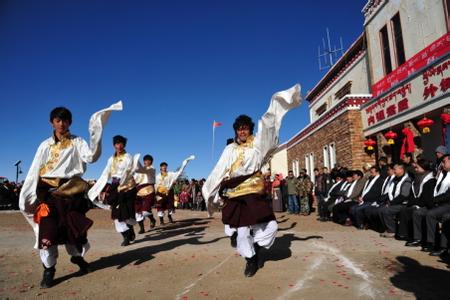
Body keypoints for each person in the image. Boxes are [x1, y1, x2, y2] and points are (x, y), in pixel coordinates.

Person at [19, 102, 122, 288]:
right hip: (49, 197)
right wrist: (31, 196)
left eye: (65, 120)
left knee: (72, 233)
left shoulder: (78, 142)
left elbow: (91, 157)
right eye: (58, 120)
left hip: (71, 196)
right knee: (48, 234)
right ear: (52, 122)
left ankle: (78, 259)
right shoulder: (44, 145)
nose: (61, 124)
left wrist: (97, 129)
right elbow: (35, 170)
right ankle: (49, 270)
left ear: (70, 122)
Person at [202, 84, 300, 277]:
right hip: (236, 194)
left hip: (255, 192)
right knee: (243, 232)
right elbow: (219, 170)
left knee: (271, 226)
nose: (242, 132)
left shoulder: (257, 144)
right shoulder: (229, 150)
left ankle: (256, 246)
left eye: (245, 128)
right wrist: (210, 191)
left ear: (250, 129)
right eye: (239, 129)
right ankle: (250, 260)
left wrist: (277, 104)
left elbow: (268, 127)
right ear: (235, 131)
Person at [89, 135, 139, 247]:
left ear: (124, 145)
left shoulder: (128, 157)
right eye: (117, 143)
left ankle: (130, 230)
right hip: (114, 186)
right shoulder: (110, 159)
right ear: (113, 145)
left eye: (121, 143)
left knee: (126, 212)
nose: (119, 146)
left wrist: (123, 183)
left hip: (127, 187)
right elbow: (106, 173)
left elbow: (129, 171)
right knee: (116, 212)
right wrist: (97, 186)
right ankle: (126, 235)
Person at [400, 159, 436, 244]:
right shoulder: (417, 179)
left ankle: (417, 238)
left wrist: (416, 203)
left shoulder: (430, 180)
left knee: (416, 212)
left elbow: (427, 198)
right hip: (418, 202)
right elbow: (412, 195)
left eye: (417, 168)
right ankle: (407, 234)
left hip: (426, 204)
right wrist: (412, 202)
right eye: (415, 168)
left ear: (424, 168)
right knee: (404, 210)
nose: (415, 170)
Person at [422, 154, 450, 255]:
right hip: (442, 203)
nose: (442, 164)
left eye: (444, 161)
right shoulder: (443, 173)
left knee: (435, 215)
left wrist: (434, 200)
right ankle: (434, 242)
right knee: (425, 212)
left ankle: (437, 244)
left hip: (447, 204)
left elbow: (448, 195)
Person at [155, 156, 195, 224]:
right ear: (160, 167)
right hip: (160, 193)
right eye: (163, 166)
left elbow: (179, 172)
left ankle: (169, 216)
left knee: (170, 206)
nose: (164, 167)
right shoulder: (157, 176)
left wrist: (185, 162)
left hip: (169, 192)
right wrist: (155, 194)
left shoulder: (170, 174)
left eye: (165, 166)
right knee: (160, 206)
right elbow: (155, 185)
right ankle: (161, 221)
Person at [378, 163, 412, 238]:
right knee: (380, 210)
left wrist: (391, 203)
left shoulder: (407, 180)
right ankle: (388, 228)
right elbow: (390, 192)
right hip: (394, 202)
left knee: (386, 211)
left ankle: (392, 230)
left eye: (395, 169)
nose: (393, 171)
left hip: (403, 204)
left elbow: (404, 196)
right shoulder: (395, 179)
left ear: (401, 169)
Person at [134, 154, 157, 233]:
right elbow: (135, 179)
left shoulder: (152, 169)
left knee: (145, 211)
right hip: (138, 190)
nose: (146, 162)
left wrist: (136, 161)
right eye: (145, 160)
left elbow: (140, 170)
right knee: (137, 210)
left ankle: (152, 219)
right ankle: (142, 228)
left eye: (148, 160)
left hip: (148, 190)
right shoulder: (139, 171)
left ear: (151, 162)